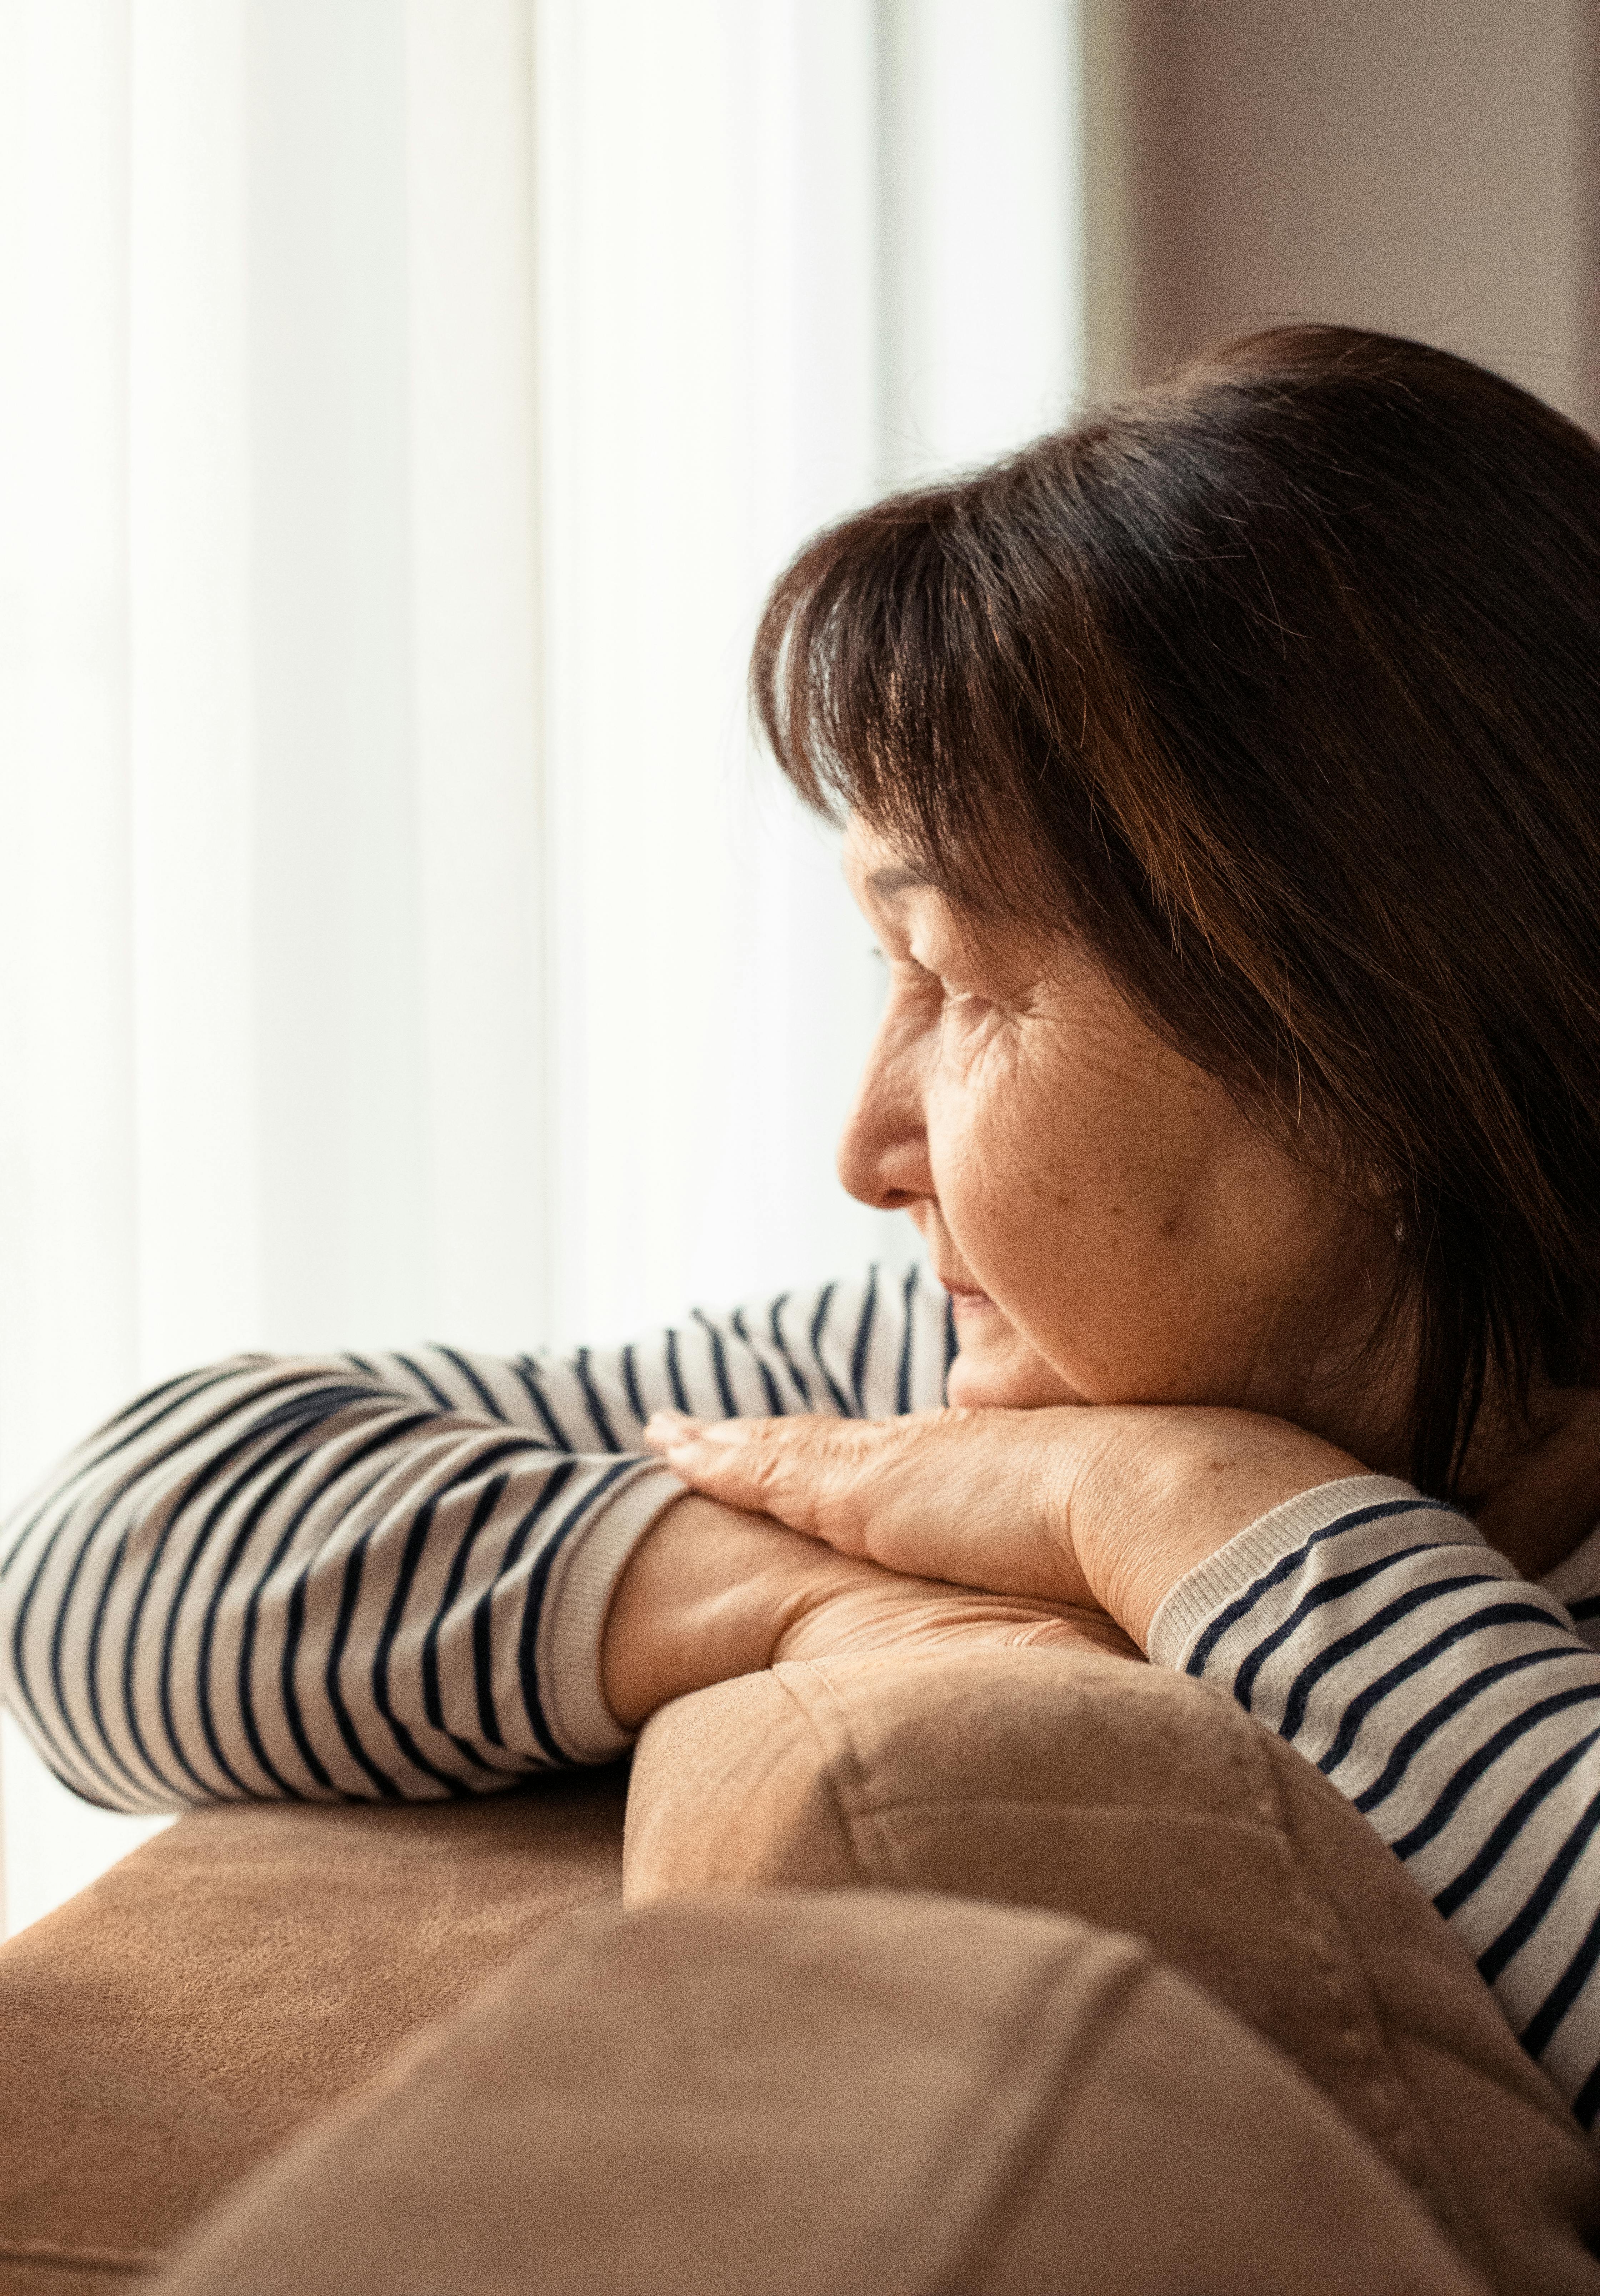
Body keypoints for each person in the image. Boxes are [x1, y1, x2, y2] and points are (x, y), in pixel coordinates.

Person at [7, 324, 1600, 2133]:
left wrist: (1191, 1514)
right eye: (883, 966)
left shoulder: (1079, 1428)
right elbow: (106, 1555)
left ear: (1380, 1040)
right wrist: (818, 1598)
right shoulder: (948, 1386)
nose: (864, 1146)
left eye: (956, 978)